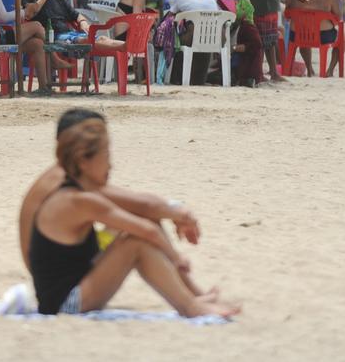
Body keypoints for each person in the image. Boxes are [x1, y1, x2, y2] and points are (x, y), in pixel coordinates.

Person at [22, 109, 238, 318]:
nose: (111, 164)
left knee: (141, 228)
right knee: (137, 243)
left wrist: (176, 213)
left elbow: (143, 210)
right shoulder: (72, 193)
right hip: (65, 302)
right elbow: (145, 215)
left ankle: (194, 295)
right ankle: (190, 306)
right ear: (82, 159)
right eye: (105, 154)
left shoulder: (73, 183)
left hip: (71, 275)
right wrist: (177, 255)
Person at [284, 0, 345, 77]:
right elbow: (338, 17)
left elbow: (286, 14)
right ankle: (329, 71)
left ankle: (310, 69)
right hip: (324, 36)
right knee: (344, 36)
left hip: (297, 34)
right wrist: (341, 4)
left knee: (304, 33)